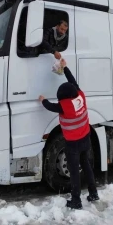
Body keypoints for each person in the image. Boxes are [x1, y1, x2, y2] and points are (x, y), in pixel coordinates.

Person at [38, 58, 99, 210]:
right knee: (86, 166)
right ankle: (93, 193)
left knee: (74, 172)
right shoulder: (80, 96)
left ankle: (76, 201)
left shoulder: (64, 106)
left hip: (73, 144)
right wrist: (65, 68)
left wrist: (42, 100)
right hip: (86, 138)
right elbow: (73, 81)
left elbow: (49, 106)